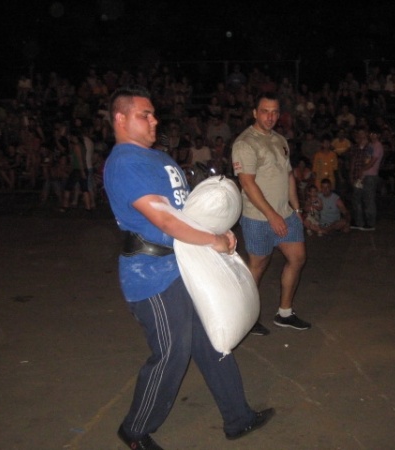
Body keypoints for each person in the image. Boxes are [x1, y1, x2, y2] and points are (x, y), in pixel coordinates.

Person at [104, 86, 274, 450]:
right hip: (151, 273)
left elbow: (185, 211)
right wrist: (212, 240)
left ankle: (238, 417)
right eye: (144, 115)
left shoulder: (158, 158)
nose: (155, 120)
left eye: (153, 113)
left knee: (212, 340)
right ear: (120, 119)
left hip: (183, 264)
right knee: (171, 352)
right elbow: (165, 219)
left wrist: (216, 228)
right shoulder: (125, 163)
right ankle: (134, 431)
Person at [232, 91, 310, 336]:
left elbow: (289, 175)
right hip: (258, 217)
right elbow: (247, 184)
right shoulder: (245, 143)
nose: (270, 116)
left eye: (275, 112)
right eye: (265, 111)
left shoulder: (280, 140)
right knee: (258, 266)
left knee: (297, 258)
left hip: (285, 213)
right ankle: (247, 318)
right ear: (255, 113)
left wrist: (296, 208)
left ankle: (284, 313)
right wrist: (271, 215)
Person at [350, 127, 383, 230]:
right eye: (371, 134)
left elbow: (372, 162)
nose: (372, 136)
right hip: (362, 175)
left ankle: (370, 223)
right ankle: (359, 222)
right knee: (357, 198)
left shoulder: (378, 146)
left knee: (369, 200)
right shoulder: (370, 145)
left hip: (370, 175)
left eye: (375, 134)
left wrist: (361, 170)